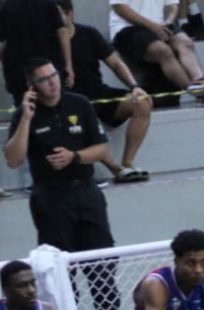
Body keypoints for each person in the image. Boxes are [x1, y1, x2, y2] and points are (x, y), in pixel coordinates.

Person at [4, 58, 122, 310]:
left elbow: (101, 149)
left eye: (54, 76)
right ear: (32, 85)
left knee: (101, 264)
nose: (52, 82)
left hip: (86, 192)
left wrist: (75, 156)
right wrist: (26, 118)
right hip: (50, 198)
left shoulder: (79, 103)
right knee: (59, 273)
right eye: (44, 79)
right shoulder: (25, 114)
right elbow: (13, 159)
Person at [58, 0, 154, 183]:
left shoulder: (88, 34)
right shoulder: (46, 41)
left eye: (58, 14)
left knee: (142, 103)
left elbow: (115, 63)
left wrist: (134, 87)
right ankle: (115, 169)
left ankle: (127, 163)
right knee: (80, 119)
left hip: (98, 93)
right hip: (70, 101)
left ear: (70, 14)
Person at [108, 0, 204, 108]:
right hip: (125, 28)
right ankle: (199, 93)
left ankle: (200, 80)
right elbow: (120, 8)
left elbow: (172, 6)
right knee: (162, 50)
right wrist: (152, 26)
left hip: (158, 26)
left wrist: (168, 21)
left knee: (185, 42)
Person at [0, 0, 73, 101]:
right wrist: (68, 65)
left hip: (20, 72)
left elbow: (2, 42)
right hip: (49, 68)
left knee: (26, 105)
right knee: (56, 104)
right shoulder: (49, 3)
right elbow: (62, 31)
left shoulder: (6, 7)